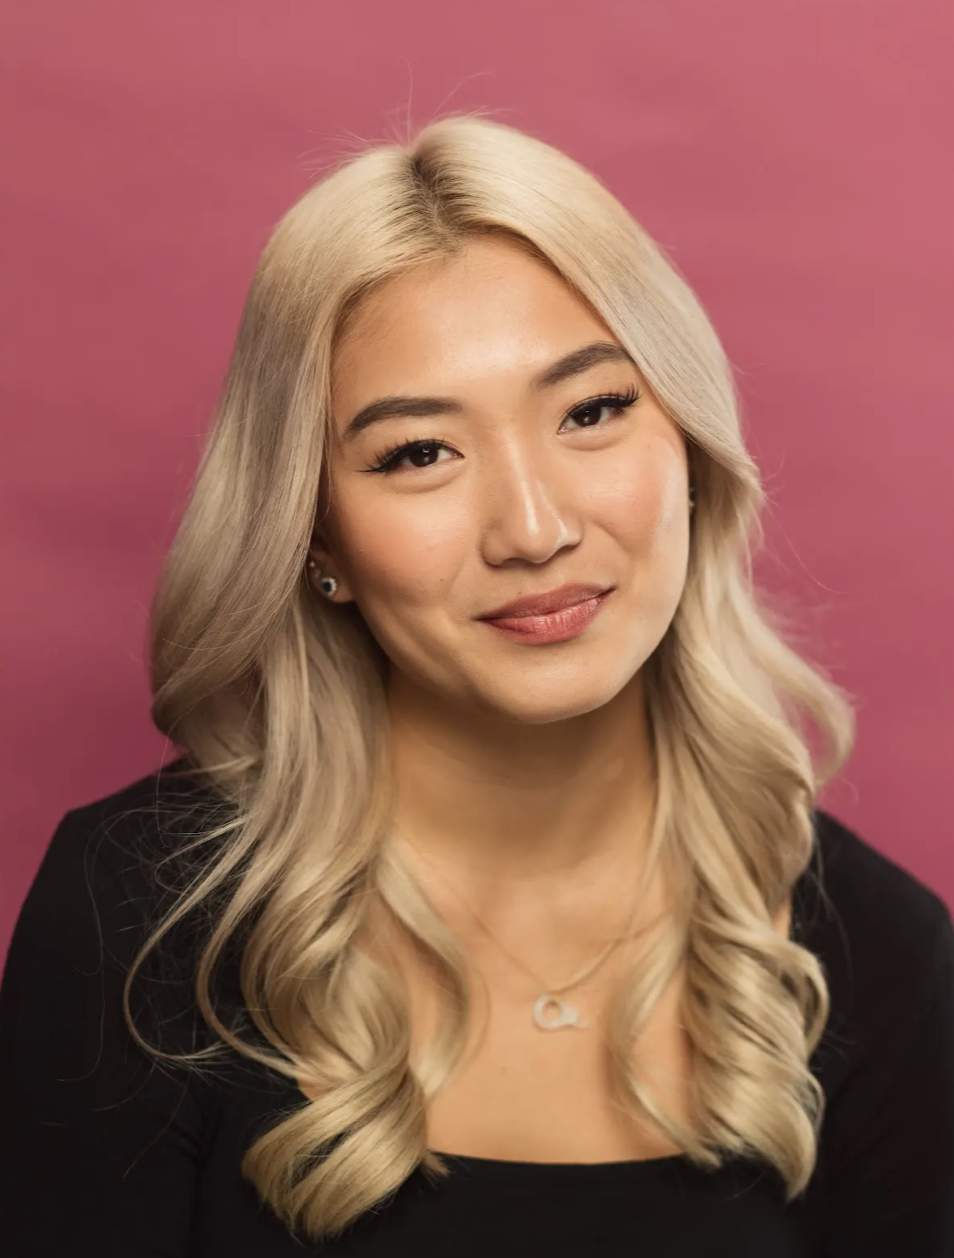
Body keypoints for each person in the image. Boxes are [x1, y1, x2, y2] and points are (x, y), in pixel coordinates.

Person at [1, 113, 952, 1258]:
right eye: (419, 454)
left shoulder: (881, 956)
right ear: (316, 535)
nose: (536, 529)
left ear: (691, 453)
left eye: (593, 411)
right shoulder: (136, 920)